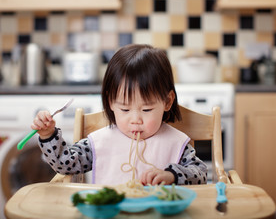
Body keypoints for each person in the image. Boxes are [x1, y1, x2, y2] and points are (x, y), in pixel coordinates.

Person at [32, 44, 208, 186]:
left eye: (146, 110)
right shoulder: (100, 142)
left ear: (168, 102)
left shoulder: (175, 143)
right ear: (110, 101)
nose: (135, 120)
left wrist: (171, 175)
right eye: (125, 109)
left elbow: (200, 174)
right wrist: (48, 135)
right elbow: (65, 163)